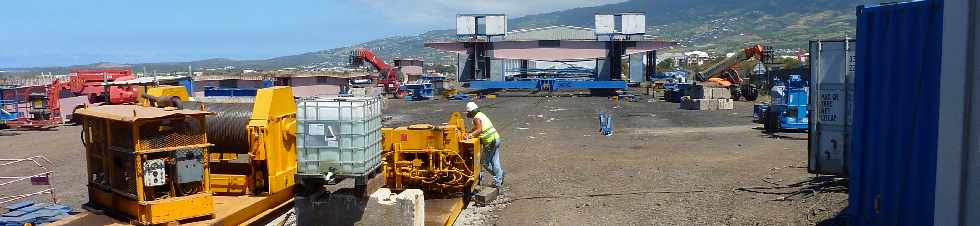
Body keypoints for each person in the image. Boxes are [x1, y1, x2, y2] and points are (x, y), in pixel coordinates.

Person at [464, 101, 504, 188]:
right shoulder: (481, 115)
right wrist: (470, 132)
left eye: (468, 112)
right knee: (495, 161)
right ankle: (499, 178)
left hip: (490, 142)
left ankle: (499, 177)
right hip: (496, 138)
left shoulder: (476, 118)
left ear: (471, 112)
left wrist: (469, 136)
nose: (467, 114)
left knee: (485, 163)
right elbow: (476, 129)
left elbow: (479, 130)